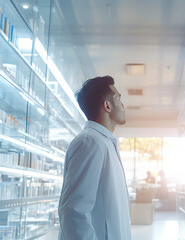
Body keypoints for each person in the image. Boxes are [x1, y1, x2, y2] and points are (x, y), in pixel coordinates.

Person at [58, 76, 131, 240]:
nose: (123, 105)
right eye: (119, 99)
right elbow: (73, 210)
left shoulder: (104, 142)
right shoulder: (91, 142)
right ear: (107, 105)